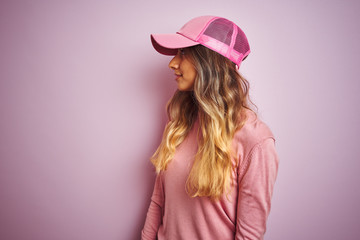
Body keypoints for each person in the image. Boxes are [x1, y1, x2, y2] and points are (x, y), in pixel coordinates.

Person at [141, 16, 279, 240]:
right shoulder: (178, 122)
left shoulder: (256, 140)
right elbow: (159, 201)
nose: (172, 63)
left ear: (209, 63)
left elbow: (249, 236)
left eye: (183, 53)